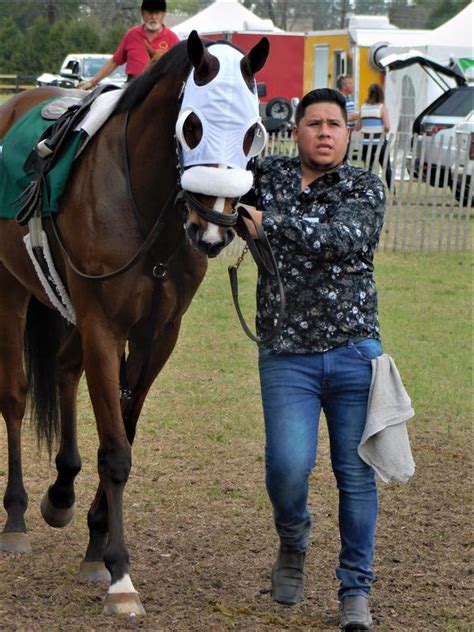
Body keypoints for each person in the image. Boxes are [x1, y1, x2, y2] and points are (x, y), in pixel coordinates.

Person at [239, 88, 386, 630]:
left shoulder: (364, 186)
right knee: (287, 467)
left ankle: (355, 591)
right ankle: (294, 537)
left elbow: (343, 239)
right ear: (294, 130)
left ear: (349, 133)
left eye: (335, 124)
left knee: (356, 475)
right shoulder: (267, 177)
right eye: (314, 123)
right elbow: (220, 177)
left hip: (355, 352)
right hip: (286, 356)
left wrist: (268, 224)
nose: (325, 132)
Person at [79, 0, 179, 89]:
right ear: (143, 13)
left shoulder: (172, 39)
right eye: (149, 13)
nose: (153, 17)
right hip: (131, 86)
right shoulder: (132, 34)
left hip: (159, 88)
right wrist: (93, 82)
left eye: (157, 13)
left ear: (163, 14)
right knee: (109, 105)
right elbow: (115, 61)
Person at [356, 83, 393, 190]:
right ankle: (392, 192)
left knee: (368, 168)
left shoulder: (363, 108)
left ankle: (368, 190)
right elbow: (387, 126)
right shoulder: (382, 108)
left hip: (366, 143)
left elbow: (358, 127)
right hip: (379, 142)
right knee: (386, 168)